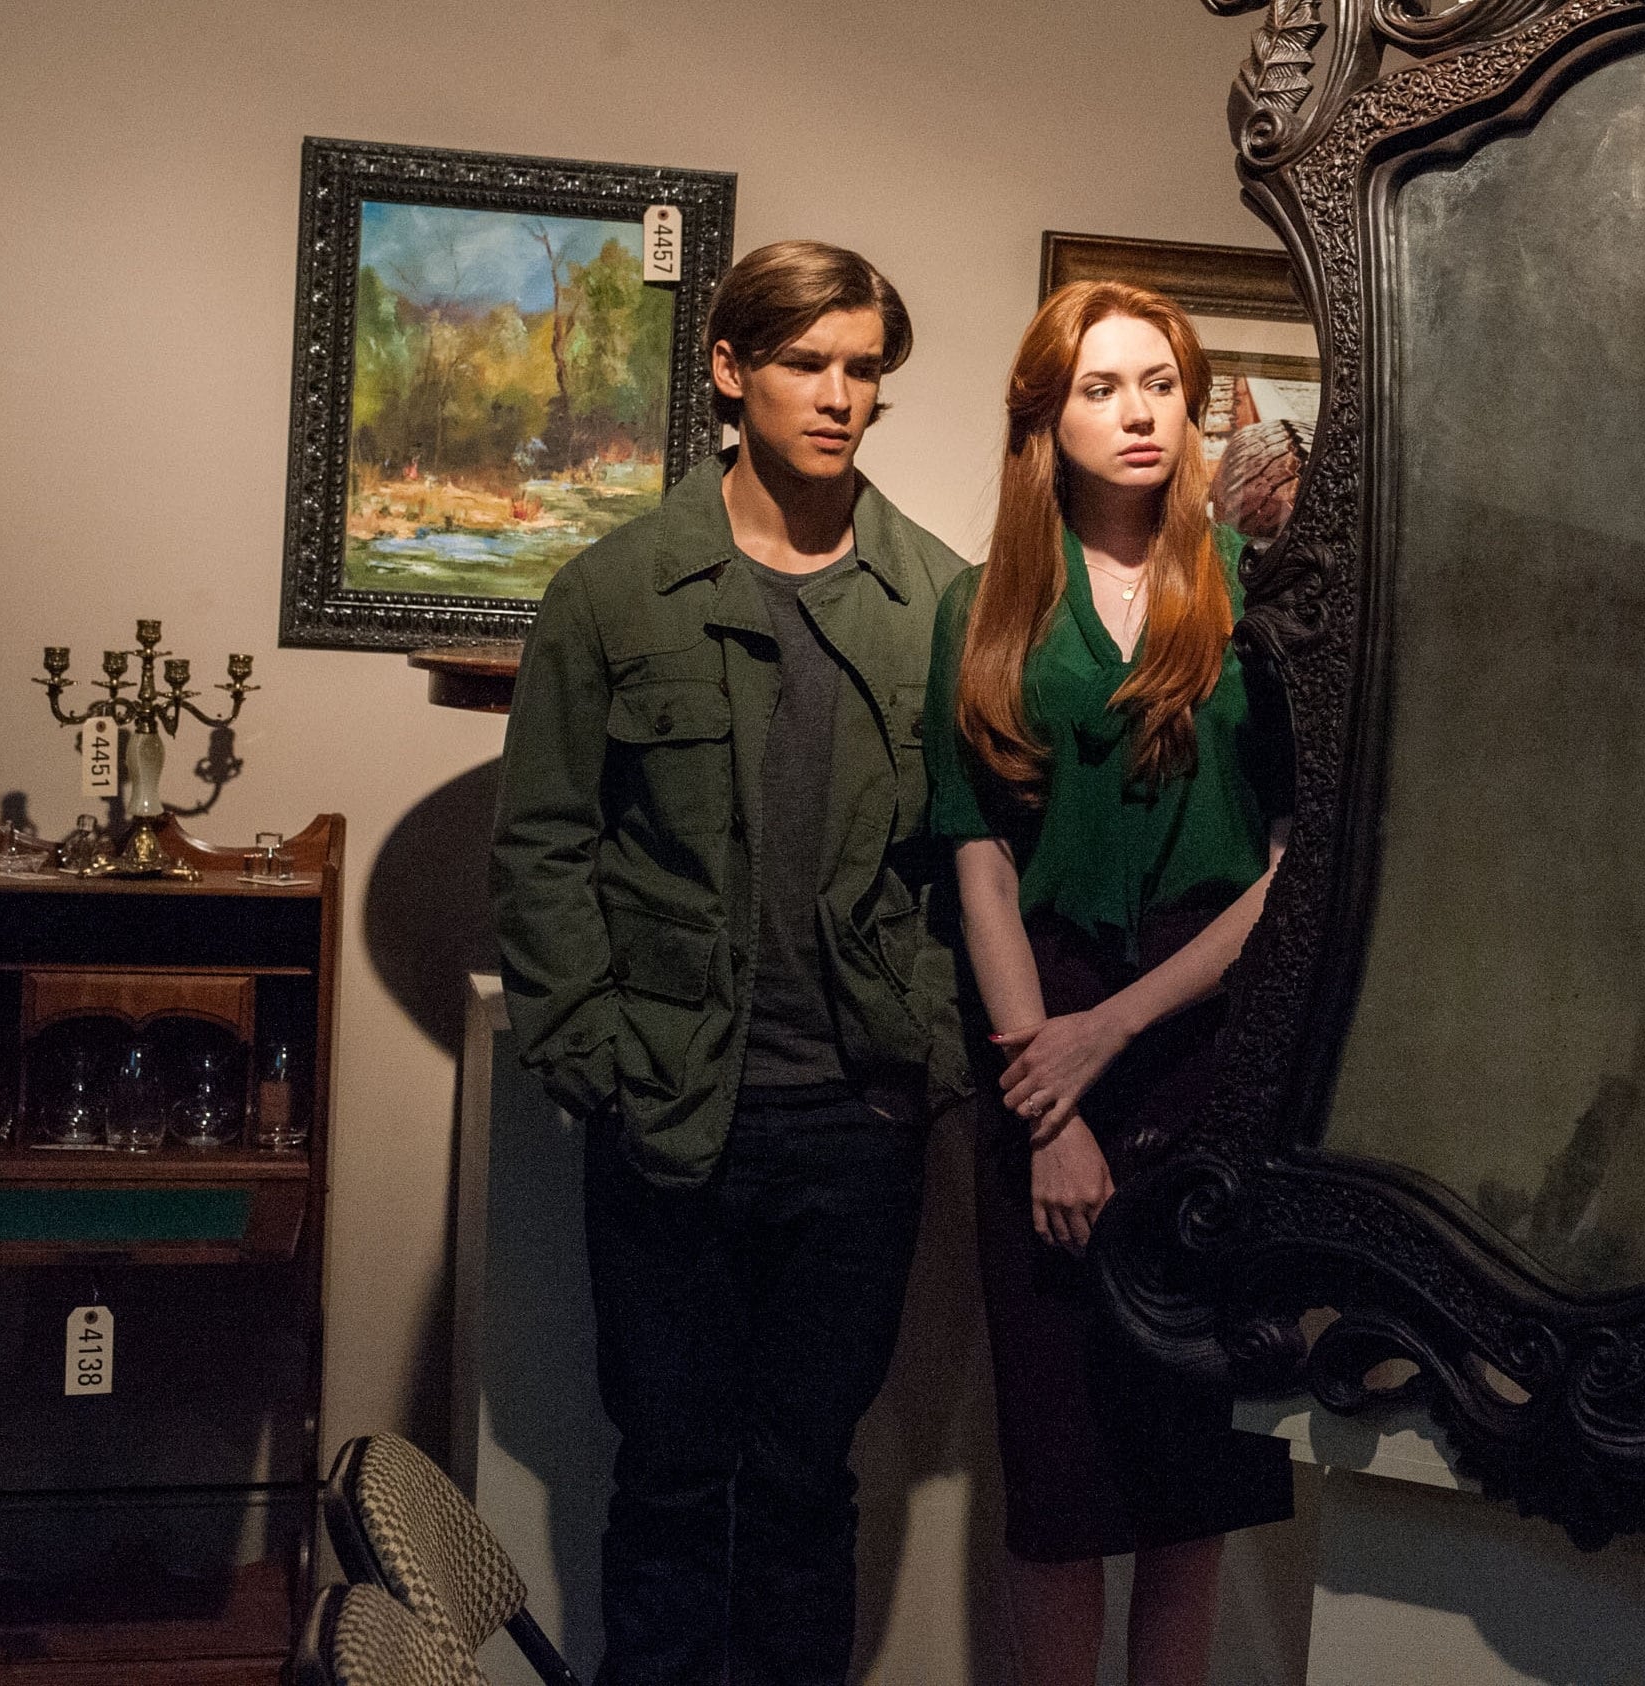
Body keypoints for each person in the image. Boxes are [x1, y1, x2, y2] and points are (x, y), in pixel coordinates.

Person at [490, 240, 967, 1686]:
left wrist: (932, 1055)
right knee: (671, 1475)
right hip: (672, 1115)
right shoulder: (613, 594)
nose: (839, 395)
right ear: (728, 370)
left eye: (864, 369)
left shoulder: (940, 602)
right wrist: (596, 1061)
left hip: (856, 1126)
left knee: (809, 1478)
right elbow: (544, 845)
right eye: (807, 362)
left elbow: (976, 862)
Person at [926, 279, 1296, 1686]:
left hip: (1213, 1041)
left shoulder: (1261, 596)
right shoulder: (981, 606)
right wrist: (1049, 1101)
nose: (1138, 412)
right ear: (1046, 418)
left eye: (1160, 385)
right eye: (1101, 387)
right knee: (1060, 1470)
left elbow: (1293, 870)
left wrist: (1116, 1030)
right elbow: (978, 865)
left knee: (1193, 1474)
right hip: (1038, 1027)